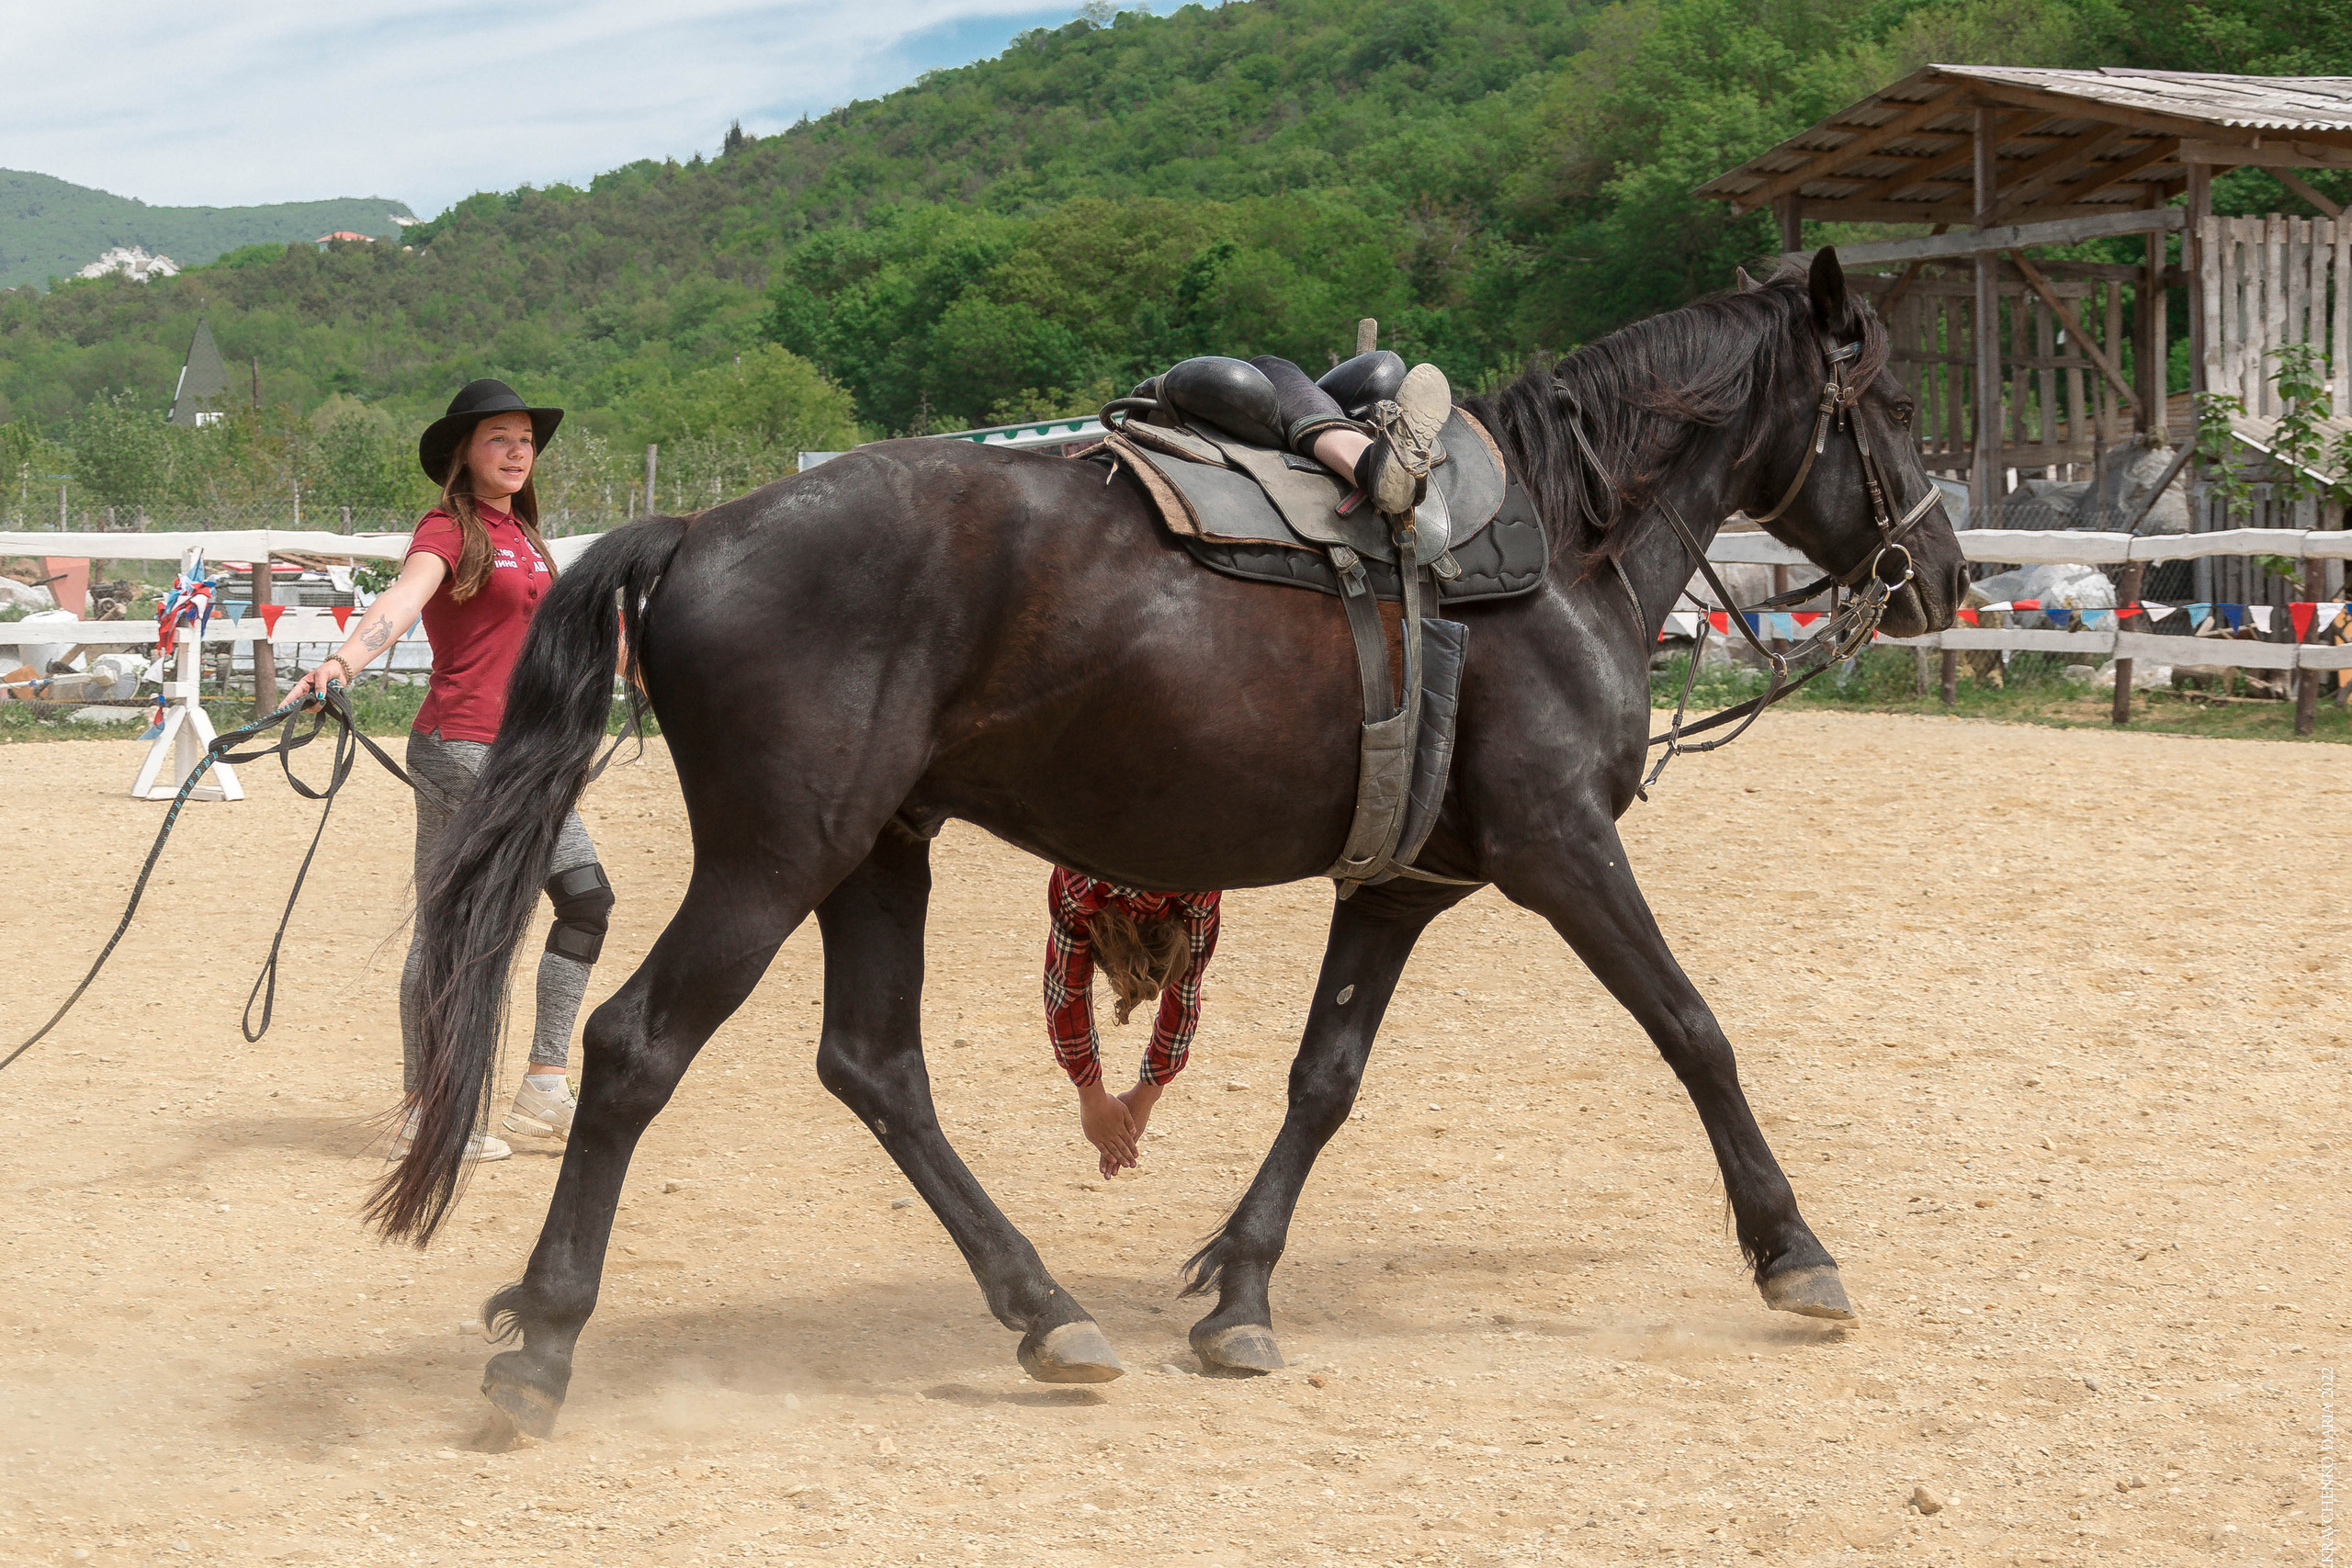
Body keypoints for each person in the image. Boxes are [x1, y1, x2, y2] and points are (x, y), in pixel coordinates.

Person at [286, 379, 612, 1163]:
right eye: (500, 436)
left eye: (526, 438)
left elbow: (579, 637)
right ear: (465, 451)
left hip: (524, 750)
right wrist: (342, 662)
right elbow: (402, 600)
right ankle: (433, 1105)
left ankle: (538, 1083)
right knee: (551, 902)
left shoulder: (531, 540)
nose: (518, 449)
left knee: (466, 920)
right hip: (462, 746)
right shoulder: (448, 528)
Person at [1042, 867, 1222, 1179]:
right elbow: (1186, 994)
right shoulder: (1080, 889)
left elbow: (1067, 996)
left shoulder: (1203, 883)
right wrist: (1145, 1092)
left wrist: (1094, 1099)